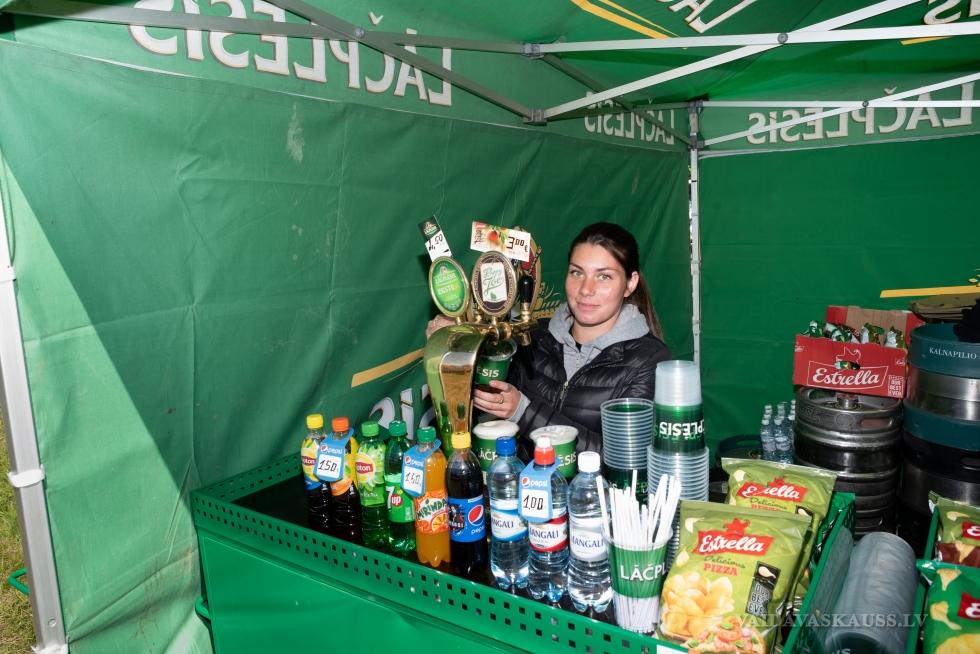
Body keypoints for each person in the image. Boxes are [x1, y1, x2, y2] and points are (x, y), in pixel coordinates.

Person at [427, 222, 671, 454]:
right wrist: (459, 351)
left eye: (604, 276)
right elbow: (477, 411)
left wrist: (523, 411)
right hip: (522, 481)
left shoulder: (649, 360)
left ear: (630, 283)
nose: (586, 289)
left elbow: (622, 458)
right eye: (577, 273)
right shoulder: (533, 337)